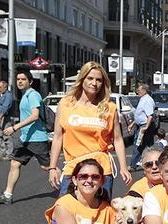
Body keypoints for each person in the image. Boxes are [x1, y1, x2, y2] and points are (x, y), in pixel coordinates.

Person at [47, 61, 132, 200]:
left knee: (98, 216)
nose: (94, 83)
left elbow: (117, 139)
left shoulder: (109, 108)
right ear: (82, 79)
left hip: (101, 170)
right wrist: (52, 168)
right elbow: (58, 137)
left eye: (99, 80)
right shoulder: (66, 104)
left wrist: (123, 167)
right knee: (65, 213)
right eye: (90, 78)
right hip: (73, 168)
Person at [0, 70, 50, 205]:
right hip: (26, 138)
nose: (20, 82)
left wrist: (15, 127)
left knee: (47, 168)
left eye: (23, 79)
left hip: (37, 139)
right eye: (18, 79)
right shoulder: (25, 95)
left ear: (30, 81)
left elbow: (35, 116)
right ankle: (7, 195)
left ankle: (70, 187)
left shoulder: (33, 95)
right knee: (14, 164)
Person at [129, 83, 156, 171]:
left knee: (138, 144)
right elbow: (140, 114)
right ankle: (151, 162)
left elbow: (150, 115)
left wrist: (146, 127)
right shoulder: (143, 99)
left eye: (139, 90)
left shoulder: (147, 100)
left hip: (144, 126)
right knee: (147, 145)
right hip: (141, 125)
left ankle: (133, 165)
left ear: (144, 90)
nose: (137, 92)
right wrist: (132, 124)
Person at [0, 80, 14, 161]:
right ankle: (4, 151)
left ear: (5, 87)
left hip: (6, 118)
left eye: (0, 87)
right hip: (2, 118)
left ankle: (10, 154)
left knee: (7, 136)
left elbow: (5, 107)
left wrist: (0, 117)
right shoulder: (3, 95)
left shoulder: (8, 95)